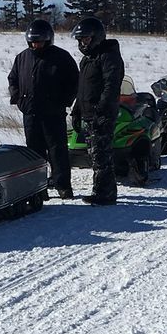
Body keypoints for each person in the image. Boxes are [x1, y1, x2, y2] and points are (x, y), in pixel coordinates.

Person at [7, 18, 80, 198]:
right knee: (34, 152)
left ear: (48, 40)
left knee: (57, 150)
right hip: (30, 113)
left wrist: (64, 101)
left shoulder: (61, 57)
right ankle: (38, 189)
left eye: (39, 41)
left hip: (53, 113)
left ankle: (63, 186)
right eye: (32, 41)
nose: (35, 45)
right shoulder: (22, 57)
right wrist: (18, 99)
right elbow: (13, 79)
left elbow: (74, 82)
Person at [71, 14, 125, 205]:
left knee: (102, 156)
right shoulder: (87, 60)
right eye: (80, 40)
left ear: (96, 37)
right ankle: (100, 189)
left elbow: (111, 86)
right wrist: (76, 111)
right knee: (95, 155)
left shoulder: (108, 56)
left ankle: (105, 193)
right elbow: (83, 89)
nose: (83, 43)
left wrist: (102, 111)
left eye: (86, 39)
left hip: (102, 114)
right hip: (88, 114)